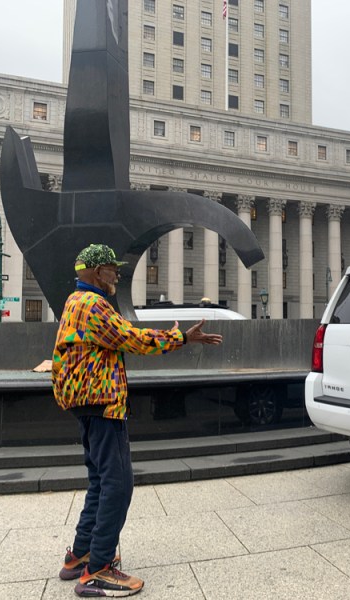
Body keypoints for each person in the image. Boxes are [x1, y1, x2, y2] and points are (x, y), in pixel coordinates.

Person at [52, 243, 222, 597]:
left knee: (100, 481)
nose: (117, 273)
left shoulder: (74, 301)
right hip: (102, 403)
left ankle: (80, 554)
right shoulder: (93, 304)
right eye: (112, 269)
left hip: (86, 402)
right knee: (118, 484)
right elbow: (129, 338)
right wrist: (180, 338)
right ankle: (98, 569)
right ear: (97, 272)